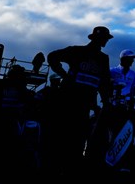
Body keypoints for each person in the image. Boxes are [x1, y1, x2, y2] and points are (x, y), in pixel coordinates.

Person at [46, 25, 114, 175]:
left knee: (78, 138)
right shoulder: (77, 51)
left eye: (106, 39)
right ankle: (57, 167)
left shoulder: (103, 59)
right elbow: (51, 57)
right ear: (97, 39)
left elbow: (104, 82)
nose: (105, 41)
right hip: (68, 102)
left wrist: (106, 101)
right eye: (104, 39)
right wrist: (64, 75)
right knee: (65, 135)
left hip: (85, 105)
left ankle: (71, 168)